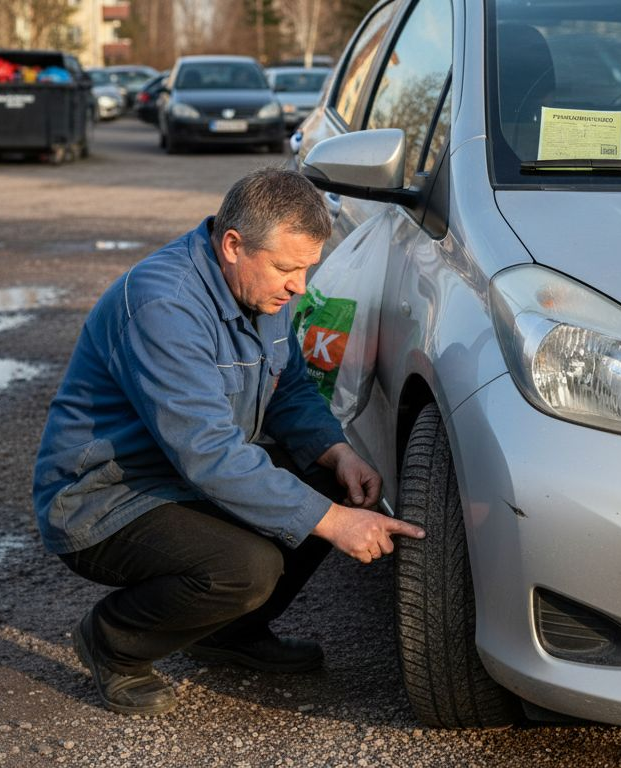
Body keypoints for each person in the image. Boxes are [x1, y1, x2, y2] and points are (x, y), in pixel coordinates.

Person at [32, 168, 426, 716]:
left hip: (182, 473)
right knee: (246, 568)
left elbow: (289, 387)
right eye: (287, 269)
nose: (300, 287)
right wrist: (334, 522)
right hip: (108, 496)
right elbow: (208, 453)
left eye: (307, 268)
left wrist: (338, 452)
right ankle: (113, 643)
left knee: (327, 482)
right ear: (234, 245)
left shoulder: (262, 290)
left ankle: (226, 634)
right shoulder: (164, 306)